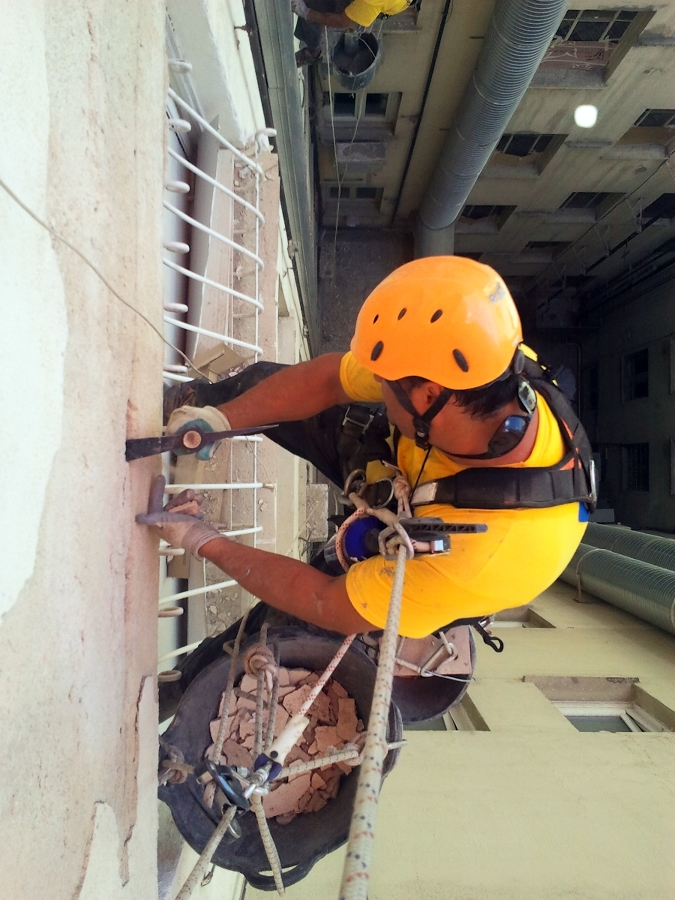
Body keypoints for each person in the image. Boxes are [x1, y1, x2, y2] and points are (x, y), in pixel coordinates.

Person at [140, 256, 593, 640]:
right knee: (261, 387)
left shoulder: (481, 557)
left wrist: (204, 541)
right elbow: (329, 379)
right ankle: (185, 404)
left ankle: (173, 696)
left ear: (427, 396)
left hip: (428, 549)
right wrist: (222, 419)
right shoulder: (476, 359)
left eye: (383, 382)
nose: (373, 382)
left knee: (270, 635)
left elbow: (325, 600)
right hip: (409, 458)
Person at [291, 0, 412, 66]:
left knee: (317, 5)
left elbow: (341, 21)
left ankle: (312, 52)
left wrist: (305, 12)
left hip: (379, 6)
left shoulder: (371, 2)